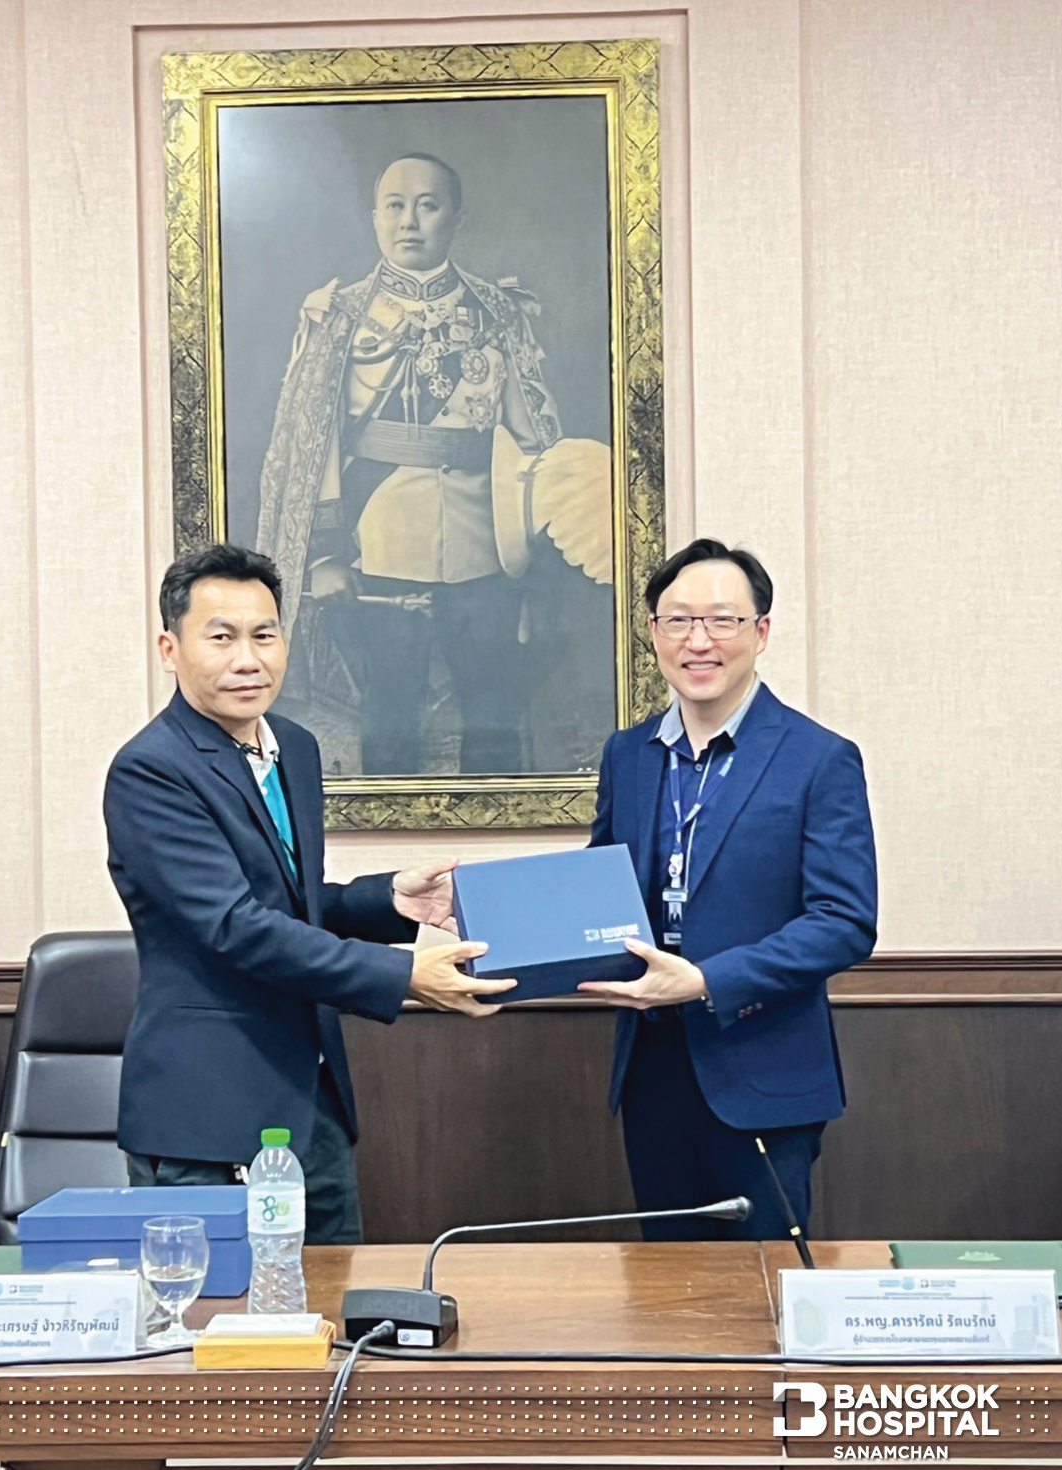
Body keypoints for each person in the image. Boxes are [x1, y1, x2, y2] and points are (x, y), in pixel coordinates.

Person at [104, 544, 513, 1243]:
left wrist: (389, 901)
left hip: (310, 1100)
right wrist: (403, 976)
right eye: (221, 637)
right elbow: (234, 926)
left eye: (264, 635)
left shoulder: (293, 745)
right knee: (217, 1307)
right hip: (206, 1114)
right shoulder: (151, 770)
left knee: (332, 1300)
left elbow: (287, 900)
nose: (248, 659)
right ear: (170, 650)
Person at [580, 538, 877, 1241]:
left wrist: (708, 981)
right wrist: (490, 920)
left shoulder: (819, 758)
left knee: (762, 1286)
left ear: (760, 632)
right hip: (652, 1070)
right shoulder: (628, 755)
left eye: (722, 620)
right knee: (666, 1288)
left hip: (763, 1073)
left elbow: (844, 921)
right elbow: (599, 884)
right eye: (678, 620)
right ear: (653, 632)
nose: (698, 641)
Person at [256, 151, 565, 776]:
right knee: (390, 710)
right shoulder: (340, 317)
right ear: (375, 217)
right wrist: (324, 556)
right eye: (395, 206)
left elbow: (535, 439)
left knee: (494, 709)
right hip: (378, 543)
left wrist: (533, 543)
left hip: (485, 546)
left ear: (457, 219)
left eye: (427, 206)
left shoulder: (498, 313)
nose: (409, 221)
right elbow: (313, 447)